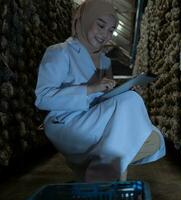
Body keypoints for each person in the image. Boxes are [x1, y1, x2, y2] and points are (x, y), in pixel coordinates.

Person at [34, 0, 165, 182]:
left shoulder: (104, 61)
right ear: (86, 20)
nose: (105, 34)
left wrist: (116, 91)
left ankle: (102, 169)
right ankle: (104, 169)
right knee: (132, 104)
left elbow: (100, 98)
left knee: (152, 138)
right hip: (66, 121)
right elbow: (43, 98)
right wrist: (90, 89)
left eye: (111, 30)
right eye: (101, 25)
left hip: (92, 117)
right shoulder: (60, 52)